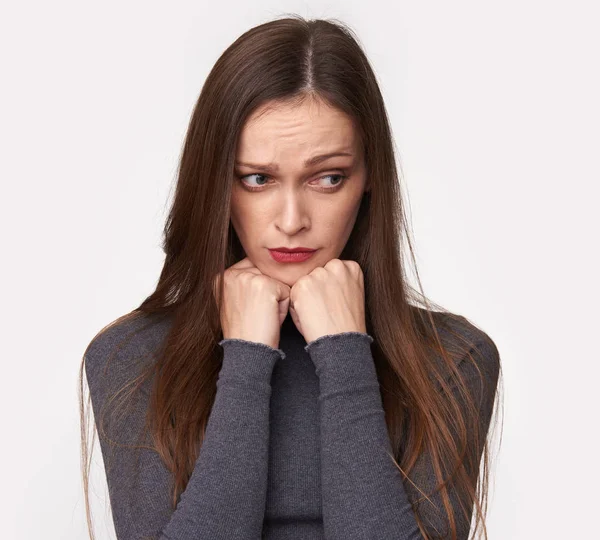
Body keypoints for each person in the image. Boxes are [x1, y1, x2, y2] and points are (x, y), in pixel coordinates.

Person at [79, 15, 502, 540]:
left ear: (369, 179)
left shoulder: (453, 361)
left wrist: (345, 352)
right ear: (218, 182)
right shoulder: (133, 359)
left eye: (328, 178)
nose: (292, 220)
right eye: (257, 179)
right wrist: (246, 362)